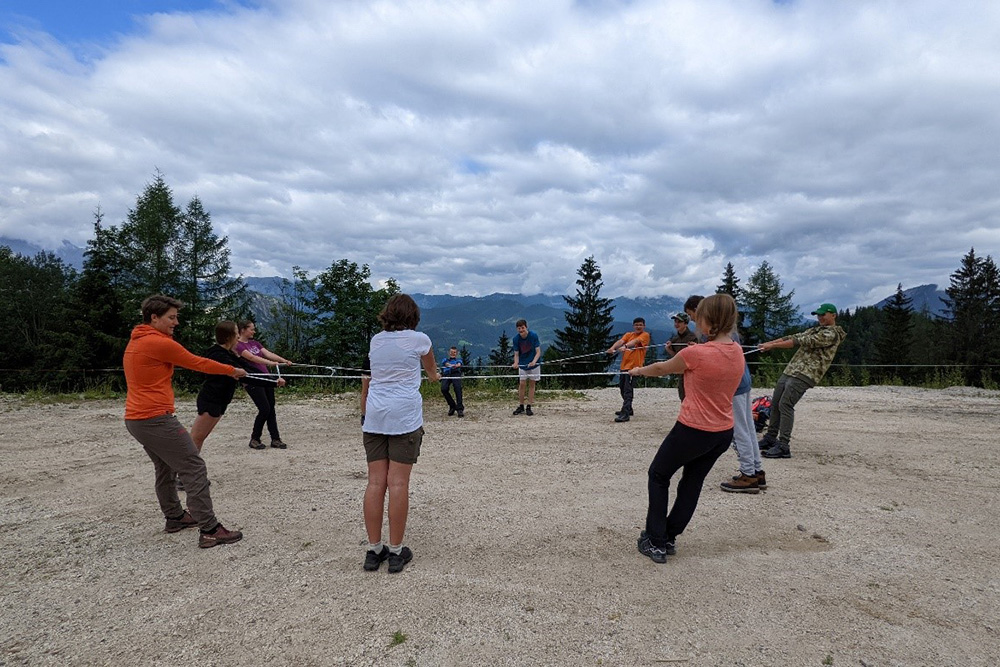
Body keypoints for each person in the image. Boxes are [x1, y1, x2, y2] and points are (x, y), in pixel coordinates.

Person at [627, 293, 745, 563]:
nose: (696, 322)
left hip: (693, 429)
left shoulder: (697, 353)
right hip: (722, 432)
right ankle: (668, 537)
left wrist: (637, 371)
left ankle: (655, 541)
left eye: (699, 317)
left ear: (709, 321)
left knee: (658, 475)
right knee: (692, 484)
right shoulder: (737, 351)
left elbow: (661, 368)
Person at [123, 295, 246, 549]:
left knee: (166, 468)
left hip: (137, 419)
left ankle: (175, 517)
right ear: (154, 318)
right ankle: (210, 529)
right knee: (193, 466)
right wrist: (231, 370)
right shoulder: (158, 343)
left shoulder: (138, 339)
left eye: (176, 317)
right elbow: (197, 363)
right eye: (171, 317)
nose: (176, 322)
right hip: (154, 418)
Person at [361, 294, 441, 573]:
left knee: (375, 484)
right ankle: (396, 552)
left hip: (374, 418)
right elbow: (431, 372)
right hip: (404, 419)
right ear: (413, 316)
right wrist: (435, 376)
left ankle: (374, 550)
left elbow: (373, 374)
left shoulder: (376, 340)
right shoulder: (420, 340)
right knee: (397, 484)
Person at [757, 303, 847, 459]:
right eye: (818, 315)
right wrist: (770, 344)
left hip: (807, 374)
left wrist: (774, 346)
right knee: (776, 402)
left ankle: (783, 446)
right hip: (792, 369)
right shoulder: (817, 329)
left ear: (833, 315)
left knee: (785, 404)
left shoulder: (832, 334)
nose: (820, 317)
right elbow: (793, 337)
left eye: (823, 314)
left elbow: (801, 341)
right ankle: (770, 438)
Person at [189, 321, 286, 453]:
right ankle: (189, 470)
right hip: (211, 400)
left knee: (200, 438)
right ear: (229, 337)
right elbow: (245, 375)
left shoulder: (229, 354)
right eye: (236, 334)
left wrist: (273, 380)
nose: (238, 337)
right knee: (196, 438)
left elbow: (248, 369)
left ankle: (191, 468)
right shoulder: (217, 354)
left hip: (221, 401)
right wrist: (273, 382)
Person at [236, 320, 294, 450]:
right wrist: (270, 363)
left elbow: (268, 353)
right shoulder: (237, 345)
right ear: (243, 330)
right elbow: (251, 358)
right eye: (251, 329)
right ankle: (255, 438)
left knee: (270, 409)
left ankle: (275, 439)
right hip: (253, 380)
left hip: (266, 378)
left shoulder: (255, 343)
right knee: (264, 409)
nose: (254, 331)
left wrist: (283, 360)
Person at [720, 330, 765, 493]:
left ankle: (748, 474)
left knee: (738, 430)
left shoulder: (715, 332)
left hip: (733, 385)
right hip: (743, 380)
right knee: (748, 428)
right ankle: (757, 470)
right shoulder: (730, 330)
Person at [606, 318, 651, 422]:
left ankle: (625, 413)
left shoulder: (645, 335)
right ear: (633, 326)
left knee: (627, 390)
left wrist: (625, 346)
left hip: (634, 368)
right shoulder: (628, 334)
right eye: (636, 325)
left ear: (644, 326)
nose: (638, 326)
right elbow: (620, 341)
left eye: (640, 325)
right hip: (624, 367)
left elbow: (636, 341)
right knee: (622, 388)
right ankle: (629, 409)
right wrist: (612, 348)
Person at [511, 319, 542, 416]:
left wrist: (534, 361)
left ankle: (529, 406)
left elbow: (538, 352)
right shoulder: (516, 339)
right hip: (523, 364)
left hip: (534, 364)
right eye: (519, 328)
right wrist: (516, 363)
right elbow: (516, 354)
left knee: (532, 384)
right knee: (522, 384)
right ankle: (521, 406)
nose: (521, 330)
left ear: (526, 327)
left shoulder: (533, 336)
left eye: (522, 328)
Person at [666, 312, 699, 401]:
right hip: (681, 372)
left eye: (679, 322)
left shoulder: (693, 337)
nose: (676, 324)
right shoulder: (675, 339)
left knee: (693, 397)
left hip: (692, 372)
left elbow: (701, 355)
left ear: (685, 323)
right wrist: (669, 349)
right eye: (675, 322)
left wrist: (696, 347)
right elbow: (676, 357)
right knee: (682, 396)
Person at [440, 346, 465, 417]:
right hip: (446, 373)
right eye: (451, 352)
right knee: (444, 389)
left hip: (455, 373)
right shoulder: (445, 359)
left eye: (454, 352)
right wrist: (452, 365)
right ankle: (452, 405)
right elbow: (446, 364)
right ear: (448, 353)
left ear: (456, 353)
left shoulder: (458, 360)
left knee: (458, 388)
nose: (452, 354)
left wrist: (456, 366)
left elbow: (459, 364)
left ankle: (460, 408)